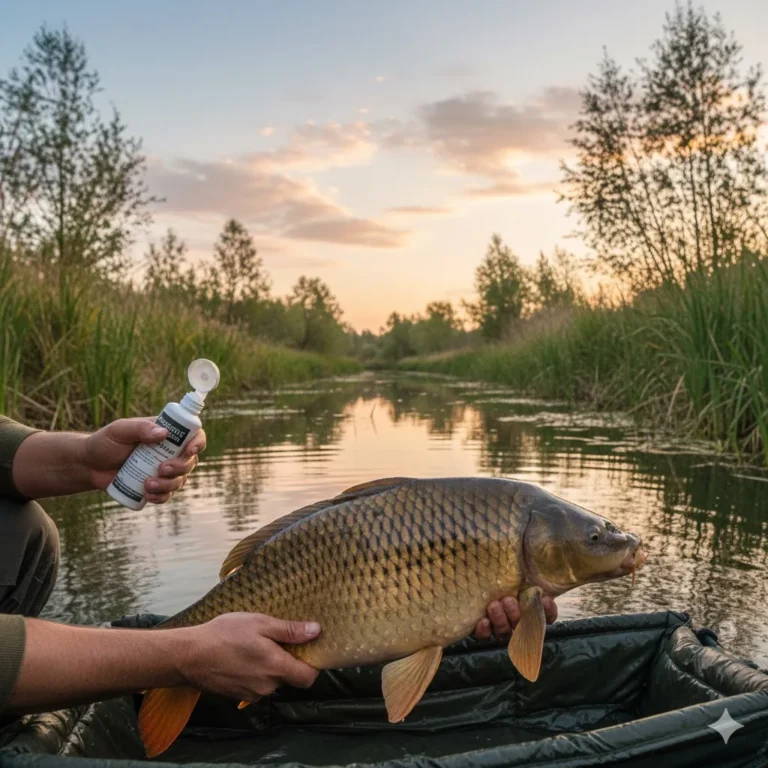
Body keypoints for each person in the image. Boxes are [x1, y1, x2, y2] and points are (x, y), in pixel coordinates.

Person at [0, 414, 557, 716]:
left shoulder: (521, 543)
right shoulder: (516, 515)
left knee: (27, 531)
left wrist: (82, 457)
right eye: (600, 538)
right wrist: (182, 656)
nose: (613, 546)